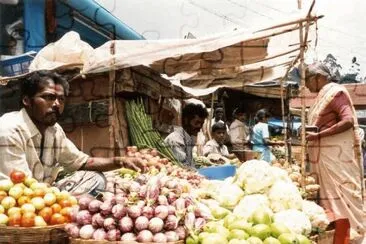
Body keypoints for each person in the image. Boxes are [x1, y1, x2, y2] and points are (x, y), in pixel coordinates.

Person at [0, 71, 145, 189]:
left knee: (95, 179)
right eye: (49, 97)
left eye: (61, 99)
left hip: (41, 197)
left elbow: (81, 162)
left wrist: (120, 161)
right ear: (27, 101)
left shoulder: (54, 131)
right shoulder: (9, 130)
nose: (57, 104)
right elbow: (19, 187)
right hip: (13, 202)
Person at [304, 62, 365, 239]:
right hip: (325, 159)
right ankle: (335, 237)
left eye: (307, 80)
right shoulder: (323, 96)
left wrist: (320, 135)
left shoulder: (335, 93)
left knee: (343, 200)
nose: (306, 86)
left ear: (318, 77)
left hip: (336, 161)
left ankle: (349, 236)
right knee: (328, 202)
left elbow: (348, 121)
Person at [164, 103, 208, 167]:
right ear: (186, 120)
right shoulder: (176, 140)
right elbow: (183, 166)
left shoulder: (188, 139)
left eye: (201, 123)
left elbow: (189, 164)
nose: (199, 126)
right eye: (197, 122)